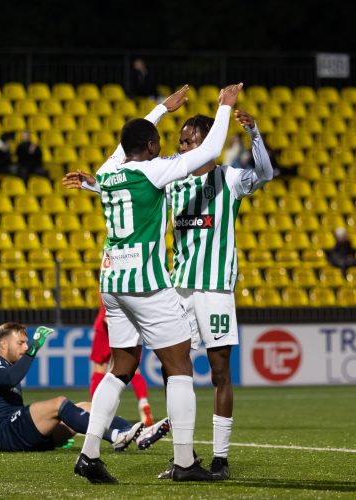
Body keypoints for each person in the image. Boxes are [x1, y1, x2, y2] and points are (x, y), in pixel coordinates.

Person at [63, 82, 243, 483]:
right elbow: (210, 151)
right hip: (145, 284)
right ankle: (184, 463)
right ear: (147, 147)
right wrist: (225, 109)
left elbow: (126, 141)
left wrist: (162, 108)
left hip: (110, 282)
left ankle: (89, 455)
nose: (162, 148)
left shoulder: (110, 170)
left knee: (121, 367)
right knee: (179, 368)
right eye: (158, 142)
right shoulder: (153, 170)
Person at [156, 108, 273, 480]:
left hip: (215, 289)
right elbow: (132, 185)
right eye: (181, 143)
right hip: (180, 287)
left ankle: (220, 459)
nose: (183, 149)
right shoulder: (174, 181)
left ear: (206, 144)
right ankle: (183, 458)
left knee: (220, 372)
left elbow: (266, 173)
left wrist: (254, 133)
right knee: (173, 371)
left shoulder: (231, 178)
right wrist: (95, 184)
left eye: (189, 142)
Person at [0, 322, 170, 452]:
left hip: (23, 434)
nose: (26, 347)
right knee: (59, 403)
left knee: (87, 406)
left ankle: (136, 432)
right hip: (4, 432)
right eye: (21, 343)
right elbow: (8, 379)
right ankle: (114, 437)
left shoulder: (10, 366)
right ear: (2, 344)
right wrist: (34, 350)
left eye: (27, 343)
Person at [90, 301, 154, 427]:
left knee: (99, 368)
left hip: (106, 327)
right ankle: (143, 402)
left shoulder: (108, 281)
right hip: (129, 327)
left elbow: (106, 312)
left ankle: (95, 411)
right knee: (133, 369)